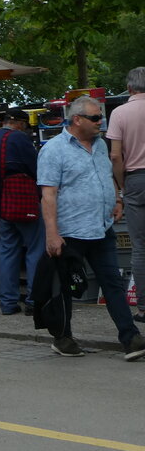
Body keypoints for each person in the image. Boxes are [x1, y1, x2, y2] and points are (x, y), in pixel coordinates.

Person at [38, 95, 145, 360]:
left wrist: (117, 199)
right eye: (96, 117)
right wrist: (52, 234)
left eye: (101, 117)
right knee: (64, 287)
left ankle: (131, 338)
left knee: (112, 284)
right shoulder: (54, 150)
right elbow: (48, 195)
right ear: (77, 119)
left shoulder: (100, 145)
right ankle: (63, 338)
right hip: (70, 232)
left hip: (101, 227)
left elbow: (107, 177)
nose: (101, 122)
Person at [0, 108, 45, 315]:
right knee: (35, 250)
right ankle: (34, 301)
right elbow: (38, 170)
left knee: (8, 252)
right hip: (24, 204)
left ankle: (8, 303)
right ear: (20, 123)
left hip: (2, 207)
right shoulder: (19, 139)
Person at [107, 67, 145, 322]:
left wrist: (122, 185)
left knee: (140, 247)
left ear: (129, 88)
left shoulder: (119, 113)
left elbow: (115, 155)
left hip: (135, 180)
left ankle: (143, 307)